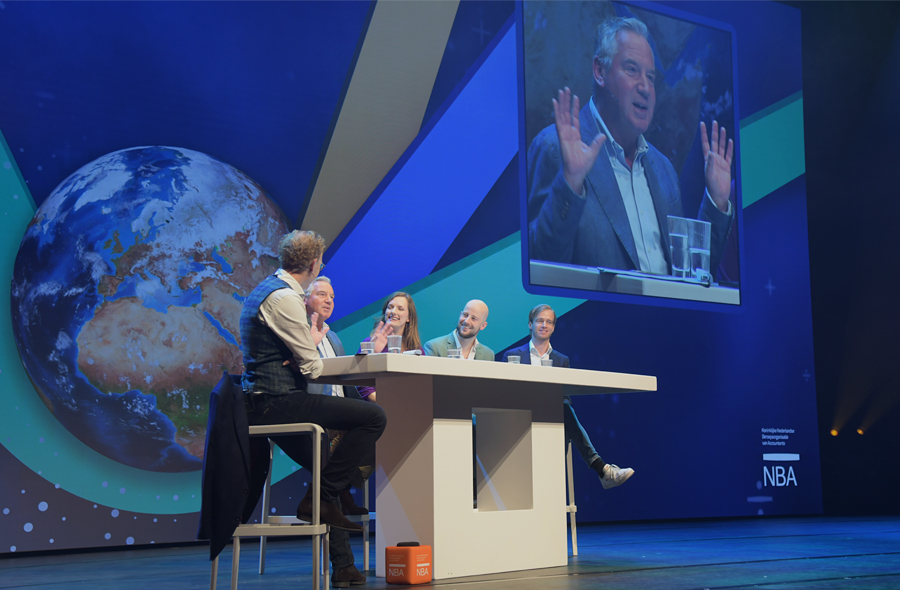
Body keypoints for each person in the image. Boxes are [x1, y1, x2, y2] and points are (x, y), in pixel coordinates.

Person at [527, 16, 734, 277]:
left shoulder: (664, 170)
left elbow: (689, 280)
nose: (645, 88)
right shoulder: (555, 148)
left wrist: (717, 202)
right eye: (632, 70)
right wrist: (570, 184)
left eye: (651, 77)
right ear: (599, 71)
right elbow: (540, 265)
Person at [240, 230, 387, 588]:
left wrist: (304, 355)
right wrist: (308, 354)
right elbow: (311, 367)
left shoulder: (268, 290)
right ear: (314, 263)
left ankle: (343, 566)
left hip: (269, 399)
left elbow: (303, 361)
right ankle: (320, 498)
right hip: (274, 402)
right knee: (374, 417)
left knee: (326, 470)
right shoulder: (286, 299)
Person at [501, 304, 633, 490]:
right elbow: (505, 393)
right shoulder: (512, 355)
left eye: (549, 322)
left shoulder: (561, 360)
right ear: (530, 324)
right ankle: (601, 468)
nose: (544, 325)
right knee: (563, 410)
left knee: (563, 408)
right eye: (540, 321)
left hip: (550, 416)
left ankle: (556, 485)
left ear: (554, 327)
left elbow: (566, 396)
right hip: (520, 415)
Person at [305, 276, 375, 519]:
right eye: (322, 294)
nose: (329, 300)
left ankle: (338, 487)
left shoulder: (333, 336)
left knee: (382, 422)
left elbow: (346, 380)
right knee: (370, 420)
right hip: (315, 408)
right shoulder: (300, 332)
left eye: (332, 297)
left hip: (339, 408)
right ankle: (338, 491)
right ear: (306, 299)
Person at [357, 291, 423, 402]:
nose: (393, 312)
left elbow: (423, 385)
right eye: (390, 307)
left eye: (400, 309)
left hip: (409, 406)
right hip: (378, 406)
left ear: (409, 318)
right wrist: (373, 353)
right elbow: (362, 384)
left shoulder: (416, 349)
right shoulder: (369, 343)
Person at [422, 300, 494, 360]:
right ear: (460, 315)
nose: (466, 321)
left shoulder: (488, 355)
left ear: (483, 326)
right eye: (465, 315)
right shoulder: (434, 347)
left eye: (473, 318)